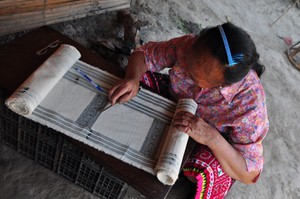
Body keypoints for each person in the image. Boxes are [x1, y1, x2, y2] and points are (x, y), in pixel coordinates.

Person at [108, 22, 269, 199]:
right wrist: (132, 78)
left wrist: (210, 137)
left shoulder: (251, 106)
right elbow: (144, 55)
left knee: (209, 173)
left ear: (221, 85)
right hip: (175, 103)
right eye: (189, 60)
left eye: (194, 76)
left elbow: (249, 173)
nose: (187, 66)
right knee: (137, 82)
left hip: (209, 139)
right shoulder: (189, 46)